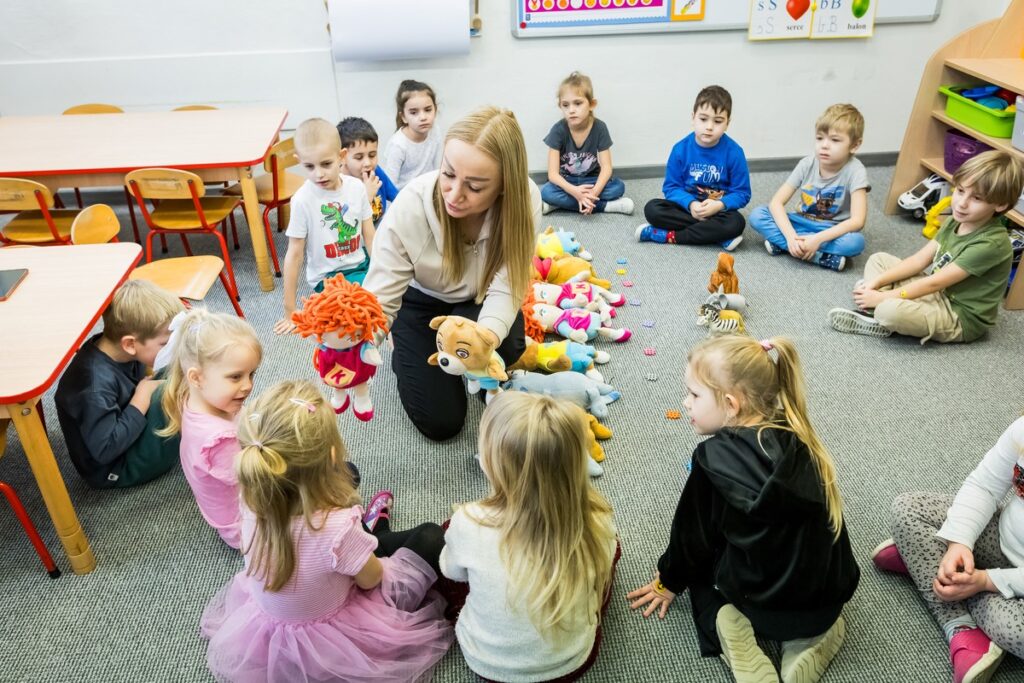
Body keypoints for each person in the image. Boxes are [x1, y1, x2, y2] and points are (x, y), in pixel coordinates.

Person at [627, 335, 859, 683]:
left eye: (693, 395)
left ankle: (727, 626)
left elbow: (692, 538)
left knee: (702, 571)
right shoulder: (800, 436)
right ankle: (813, 638)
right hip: (826, 599)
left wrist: (669, 581)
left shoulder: (711, 460)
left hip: (757, 604)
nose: (685, 403)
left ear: (732, 404)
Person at [201, 380, 453, 683]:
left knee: (352, 478)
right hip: (342, 628)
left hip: (273, 624)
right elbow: (371, 580)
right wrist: (356, 542)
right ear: (331, 457)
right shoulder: (336, 525)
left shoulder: (250, 499)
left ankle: (371, 531)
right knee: (430, 536)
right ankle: (374, 530)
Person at [362, 106, 541, 441]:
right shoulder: (411, 207)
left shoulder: (525, 200)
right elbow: (379, 301)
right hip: (418, 304)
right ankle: (404, 349)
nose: (454, 195)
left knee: (509, 348)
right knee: (442, 423)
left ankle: (461, 349)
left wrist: (482, 338)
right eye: (448, 174)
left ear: (504, 187)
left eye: (474, 186)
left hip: (478, 298)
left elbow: (507, 286)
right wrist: (358, 349)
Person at [439, 391, 618, 682]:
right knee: (607, 550)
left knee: (449, 547)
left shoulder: (468, 522)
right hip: (572, 663)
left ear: (492, 464)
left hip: (486, 663)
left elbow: (452, 572)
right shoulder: (598, 518)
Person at [874, 416, 1024, 683]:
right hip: (1002, 539)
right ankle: (960, 621)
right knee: (907, 509)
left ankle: (930, 569)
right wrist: (960, 542)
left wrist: (986, 581)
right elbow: (985, 486)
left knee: (1017, 633)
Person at [829, 150, 1024, 342]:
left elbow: (935, 282)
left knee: (889, 311)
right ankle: (877, 306)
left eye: (977, 198)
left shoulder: (991, 244)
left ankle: (877, 312)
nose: (961, 204)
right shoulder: (956, 220)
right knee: (878, 259)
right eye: (961, 191)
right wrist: (877, 283)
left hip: (958, 316)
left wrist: (883, 297)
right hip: (937, 293)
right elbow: (919, 260)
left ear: (1000, 205)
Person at [55, 280, 183, 488]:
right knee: (175, 385)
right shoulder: (94, 388)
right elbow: (105, 450)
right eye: (165, 343)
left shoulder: (118, 349)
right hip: (116, 468)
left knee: (186, 367)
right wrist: (141, 399)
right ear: (130, 344)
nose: (171, 347)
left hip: (128, 432)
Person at [159, 309, 262, 548]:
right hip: (247, 529)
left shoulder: (195, 397)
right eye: (235, 377)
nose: (248, 386)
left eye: (251, 374)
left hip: (232, 506)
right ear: (196, 377)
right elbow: (259, 479)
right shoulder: (219, 440)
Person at [274, 118, 375, 335]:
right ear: (298, 160)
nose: (318, 174)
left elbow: (369, 233)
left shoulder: (357, 188)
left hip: (360, 265)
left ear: (341, 157)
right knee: (349, 316)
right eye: (309, 166)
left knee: (390, 300)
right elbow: (294, 254)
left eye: (326, 164)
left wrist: (380, 270)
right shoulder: (302, 200)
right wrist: (289, 310)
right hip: (327, 277)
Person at [749, 103, 868, 272]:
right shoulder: (807, 163)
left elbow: (857, 221)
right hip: (800, 221)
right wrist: (790, 237)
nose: (824, 145)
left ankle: (785, 246)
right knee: (758, 215)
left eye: (834, 140)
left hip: (831, 229)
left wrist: (818, 239)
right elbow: (776, 203)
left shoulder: (856, 171)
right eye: (820, 138)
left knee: (856, 242)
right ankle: (817, 256)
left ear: (855, 145)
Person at [636, 85, 750, 251]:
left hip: (719, 212)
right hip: (688, 210)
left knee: (737, 222)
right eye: (703, 119)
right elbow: (671, 188)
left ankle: (669, 236)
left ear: (727, 124)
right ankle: (716, 235)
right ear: (693, 118)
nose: (709, 126)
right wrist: (691, 204)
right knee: (652, 209)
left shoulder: (735, 153)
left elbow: (742, 193)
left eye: (718, 121)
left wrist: (719, 205)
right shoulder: (680, 149)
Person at [539, 71, 633, 216]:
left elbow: (607, 168)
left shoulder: (600, 127)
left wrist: (594, 191)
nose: (571, 110)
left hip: (591, 180)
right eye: (565, 105)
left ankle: (558, 205)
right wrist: (576, 192)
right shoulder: (558, 130)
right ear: (560, 106)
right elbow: (553, 174)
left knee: (618, 187)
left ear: (591, 104)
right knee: (546, 191)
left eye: (578, 103)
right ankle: (605, 206)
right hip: (567, 181)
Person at [337, 116, 399, 224]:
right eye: (359, 157)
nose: (368, 163)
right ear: (342, 157)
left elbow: (398, 198)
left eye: (372, 155)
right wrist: (367, 196)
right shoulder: (339, 184)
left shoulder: (376, 171)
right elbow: (349, 225)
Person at [381, 79, 442, 189]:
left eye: (428, 110)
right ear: (403, 116)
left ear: (435, 109)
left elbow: (436, 167)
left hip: (427, 190)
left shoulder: (435, 131)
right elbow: (390, 185)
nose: (423, 117)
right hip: (404, 197)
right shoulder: (398, 145)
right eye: (414, 112)